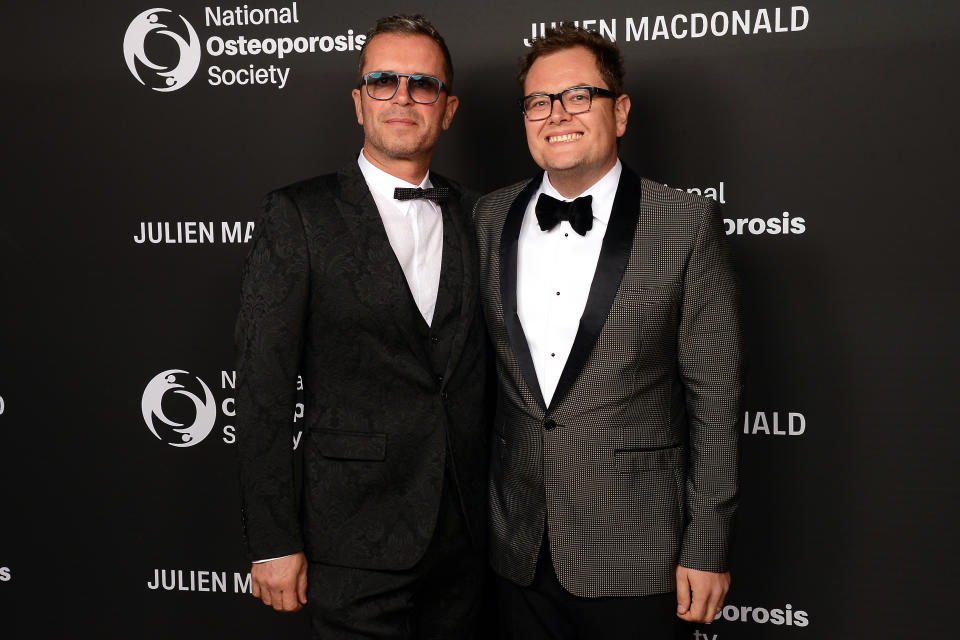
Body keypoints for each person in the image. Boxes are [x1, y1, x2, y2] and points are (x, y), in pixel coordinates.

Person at [473, 25, 743, 639]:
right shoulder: (488, 219)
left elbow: (717, 402)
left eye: (577, 96)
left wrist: (709, 543)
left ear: (618, 112)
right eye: (539, 101)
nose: (556, 115)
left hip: (636, 552)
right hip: (517, 549)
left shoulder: (684, 223)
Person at [234, 14, 488, 639]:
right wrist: (272, 540)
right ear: (359, 101)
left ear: (447, 108)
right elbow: (262, 390)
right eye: (383, 81)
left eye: (423, 84)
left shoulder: (478, 214)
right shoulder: (298, 215)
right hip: (350, 538)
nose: (403, 96)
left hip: (468, 541)